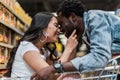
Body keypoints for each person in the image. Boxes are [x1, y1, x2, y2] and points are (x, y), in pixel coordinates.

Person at [31, 0, 120, 80]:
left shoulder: (96, 19)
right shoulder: (86, 33)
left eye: (61, 23)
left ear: (73, 18)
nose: (60, 30)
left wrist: (53, 68)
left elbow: (99, 58)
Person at [3, 12, 78, 79]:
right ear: (43, 27)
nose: (59, 30)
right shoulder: (27, 47)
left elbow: (57, 68)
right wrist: (68, 49)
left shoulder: (43, 50)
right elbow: (50, 74)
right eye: (56, 26)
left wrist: (72, 47)